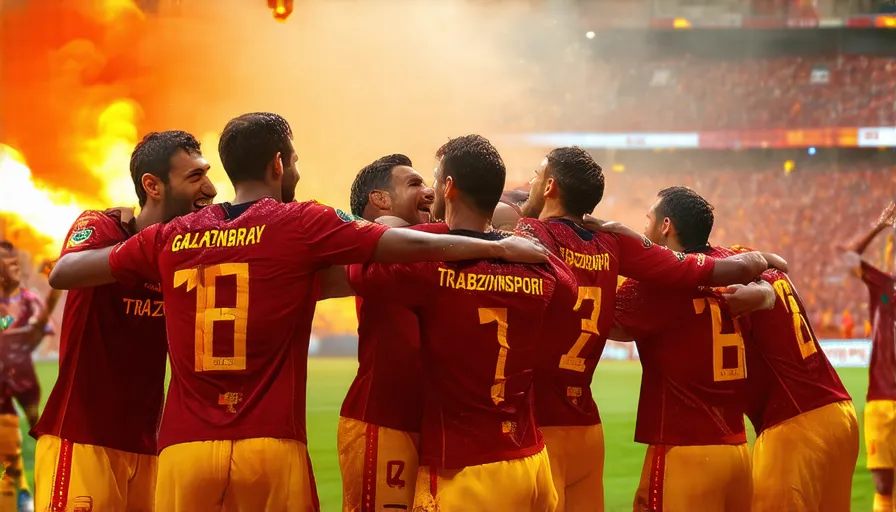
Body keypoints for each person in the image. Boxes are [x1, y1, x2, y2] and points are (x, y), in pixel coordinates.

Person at [48, 115, 548, 512]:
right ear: (278, 164)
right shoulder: (300, 223)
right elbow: (399, 245)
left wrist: (137, 236)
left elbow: (75, 270)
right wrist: (496, 246)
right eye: (195, 176)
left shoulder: (171, 238)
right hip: (269, 443)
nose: (207, 187)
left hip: (182, 446)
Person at [517, 148, 779, 512]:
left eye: (647, 219)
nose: (643, 227)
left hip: (550, 425)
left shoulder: (531, 234)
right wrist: (766, 288)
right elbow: (757, 265)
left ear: (549, 187)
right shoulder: (719, 259)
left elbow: (610, 321)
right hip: (725, 445)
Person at [350, 134, 574, 512]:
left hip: (467, 468)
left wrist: (412, 230)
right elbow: (569, 291)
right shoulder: (537, 266)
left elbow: (361, 268)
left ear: (449, 187)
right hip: (532, 461)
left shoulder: (431, 265)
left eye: (435, 179)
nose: (430, 189)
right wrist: (505, 242)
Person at [31, 130, 218, 512]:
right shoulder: (104, 226)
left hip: (149, 447)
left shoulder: (188, 250)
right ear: (152, 186)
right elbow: (63, 272)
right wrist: (154, 244)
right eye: (195, 176)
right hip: (82, 440)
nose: (211, 189)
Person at [612, 187, 763, 512]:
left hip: (685, 451)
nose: (644, 228)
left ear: (665, 225)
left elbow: (597, 320)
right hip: (738, 450)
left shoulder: (658, 284)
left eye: (648, 220)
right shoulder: (730, 264)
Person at [337, 153, 442, 512]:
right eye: (414, 184)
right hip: (383, 422)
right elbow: (388, 228)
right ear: (380, 199)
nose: (429, 191)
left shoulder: (435, 246)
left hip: (437, 427)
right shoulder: (369, 244)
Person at [723, 244, 858, 512]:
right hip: (840, 412)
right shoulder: (774, 274)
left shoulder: (730, 282)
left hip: (793, 423)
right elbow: (780, 263)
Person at [843, 201, 896, 512]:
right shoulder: (884, 285)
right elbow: (849, 256)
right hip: (882, 399)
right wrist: (880, 227)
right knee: (883, 486)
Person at [0, 243, 58, 512]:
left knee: (40, 434)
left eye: (14, 259)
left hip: (24, 378)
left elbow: (39, 330)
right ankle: (20, 493)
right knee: (8, 440)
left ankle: (49, 489)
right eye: (6, 260)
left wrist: (55, 289)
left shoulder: (29, 300)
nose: (13, 264)